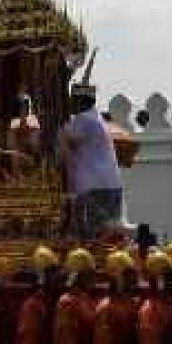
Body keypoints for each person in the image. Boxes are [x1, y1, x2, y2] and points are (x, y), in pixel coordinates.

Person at [62, 77, 124, 240]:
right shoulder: (96, 119)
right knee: (110, 234)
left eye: (72, 100)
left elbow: (62, 139)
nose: (70, 104)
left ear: (80, 102)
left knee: (94, 237)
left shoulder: (84, 120)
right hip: (111, 184)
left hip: (94, 188)